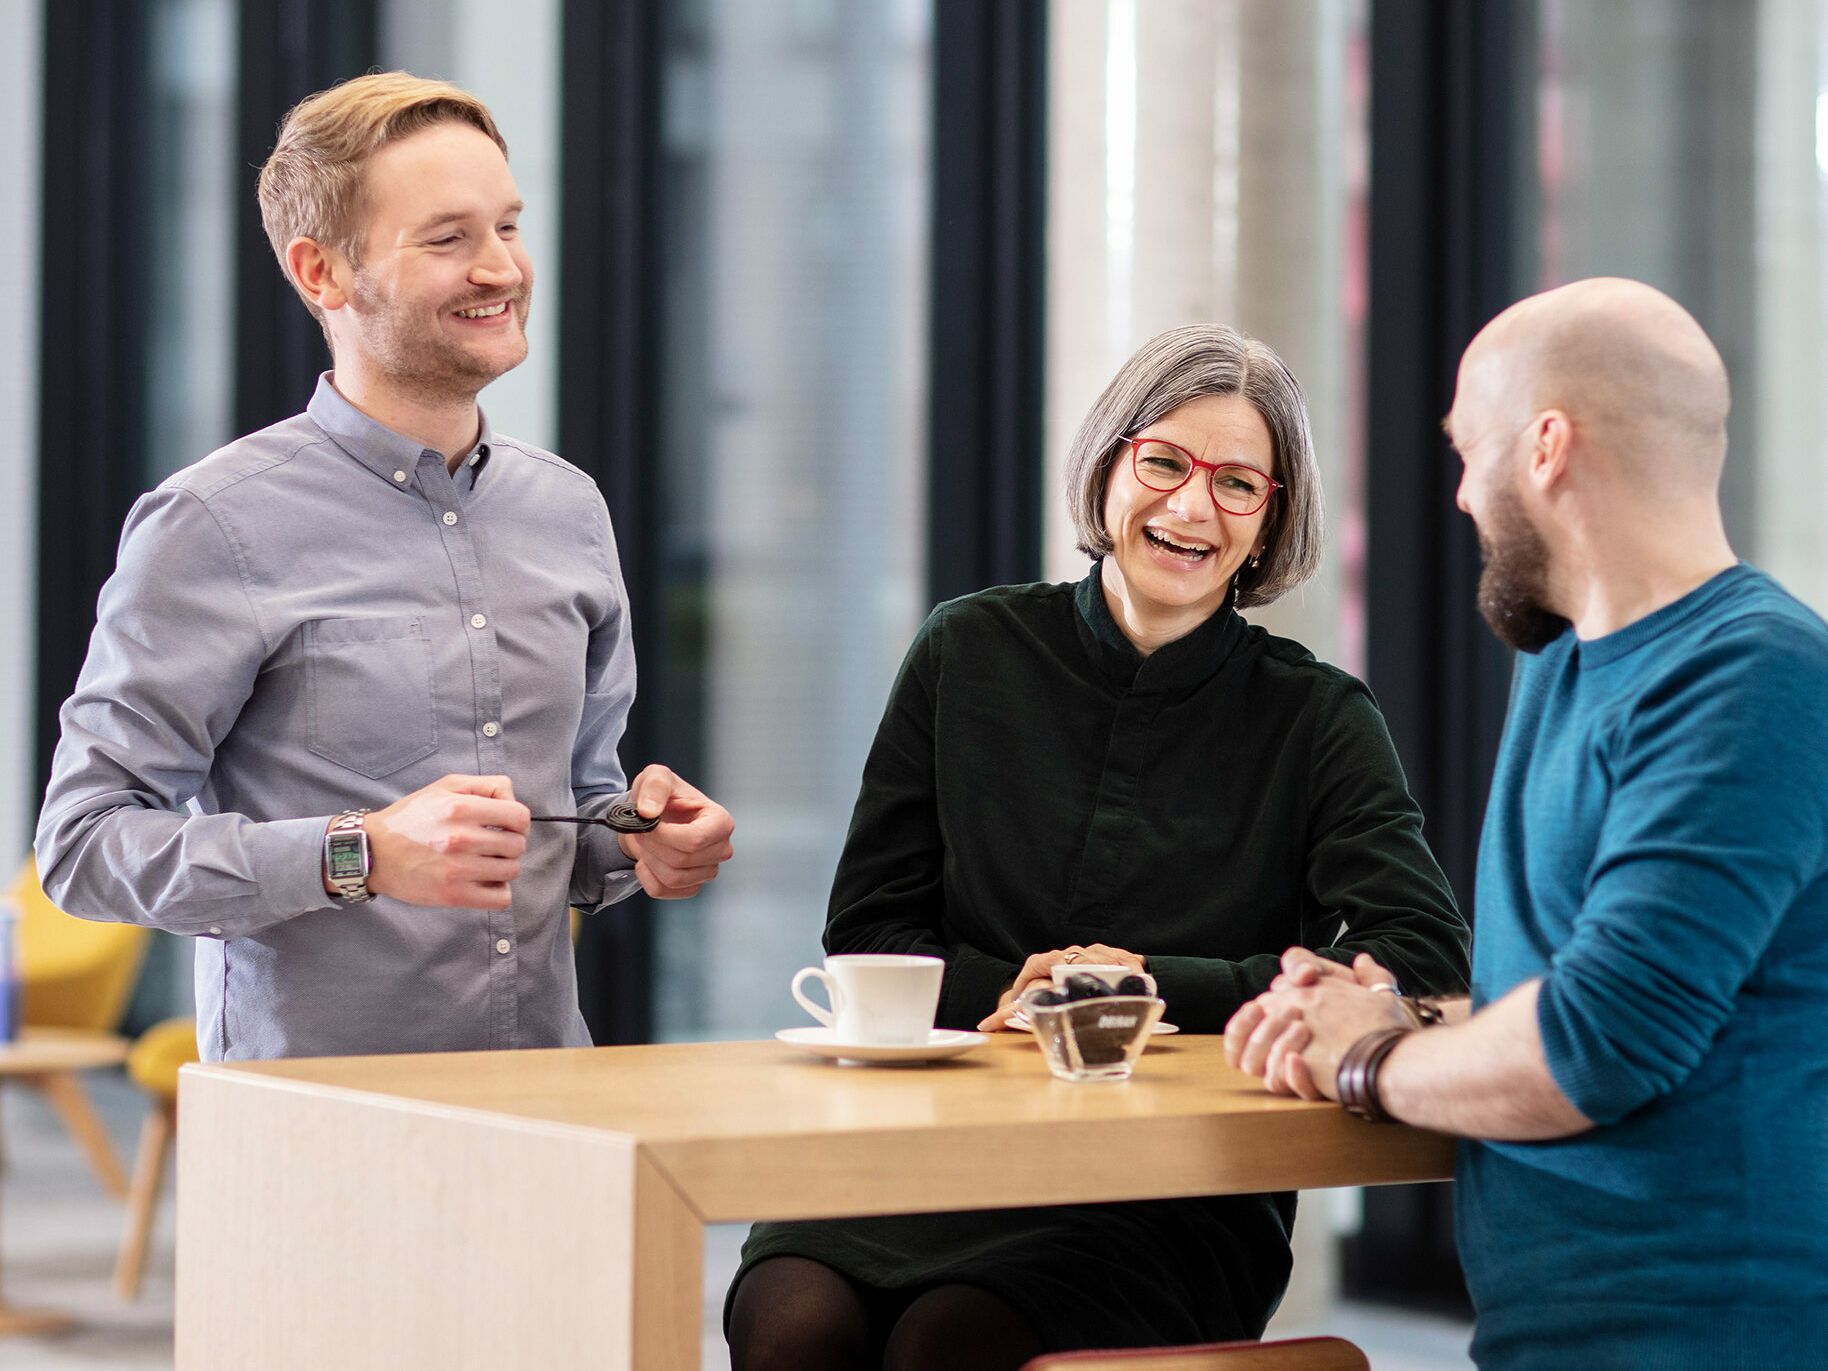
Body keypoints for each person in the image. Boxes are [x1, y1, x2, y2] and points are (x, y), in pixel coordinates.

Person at [726, 325, 1470, 1371]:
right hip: (920, 1151)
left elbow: (1422, 964)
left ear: (1269, 525)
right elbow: (867, 935)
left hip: (1163, 1191)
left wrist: (1149, 990)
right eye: (1163, 461)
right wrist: (1012, 989)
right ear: (1110, 464)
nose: (1189, 506)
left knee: (948, 1344)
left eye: (1238, 484)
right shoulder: (966, 650)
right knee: (793, 1325)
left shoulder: (1318, 718)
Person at [34, 73, 733, 1062]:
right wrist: (358, 854)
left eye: (507, 226)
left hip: (551, 1109)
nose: (502, 269)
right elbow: (83, 847)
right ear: (322, 273)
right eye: (448, 239)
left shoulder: (567, 510)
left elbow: (571, 822)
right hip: (320, 1133)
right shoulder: (212, 524)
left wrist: (640, 837)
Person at [1225, 278, 1828, 1369]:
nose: (1459, 495)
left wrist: (1365, 1059)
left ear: (1547, 446)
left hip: (1711, 1336)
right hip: (1552, 1335)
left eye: (1469, 450)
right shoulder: (1561, 666)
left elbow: (1600, 1043)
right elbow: (1559, 987)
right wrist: (1410, 1014)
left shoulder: (1752, 676)